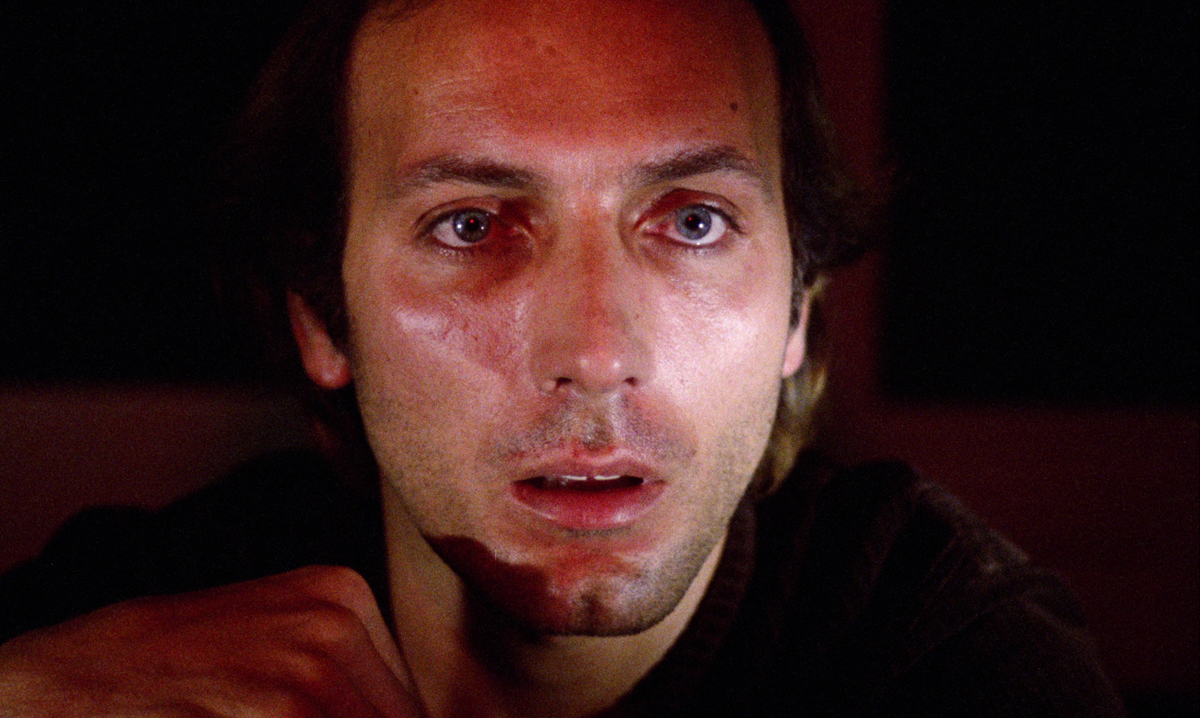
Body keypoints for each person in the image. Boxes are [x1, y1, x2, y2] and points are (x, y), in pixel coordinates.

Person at [0, 0, 1126, 715]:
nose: (594, 354)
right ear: (321, 318)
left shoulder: (944, 654)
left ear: (799, 306)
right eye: (471, 226)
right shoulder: (131, 629)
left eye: (693, 222)